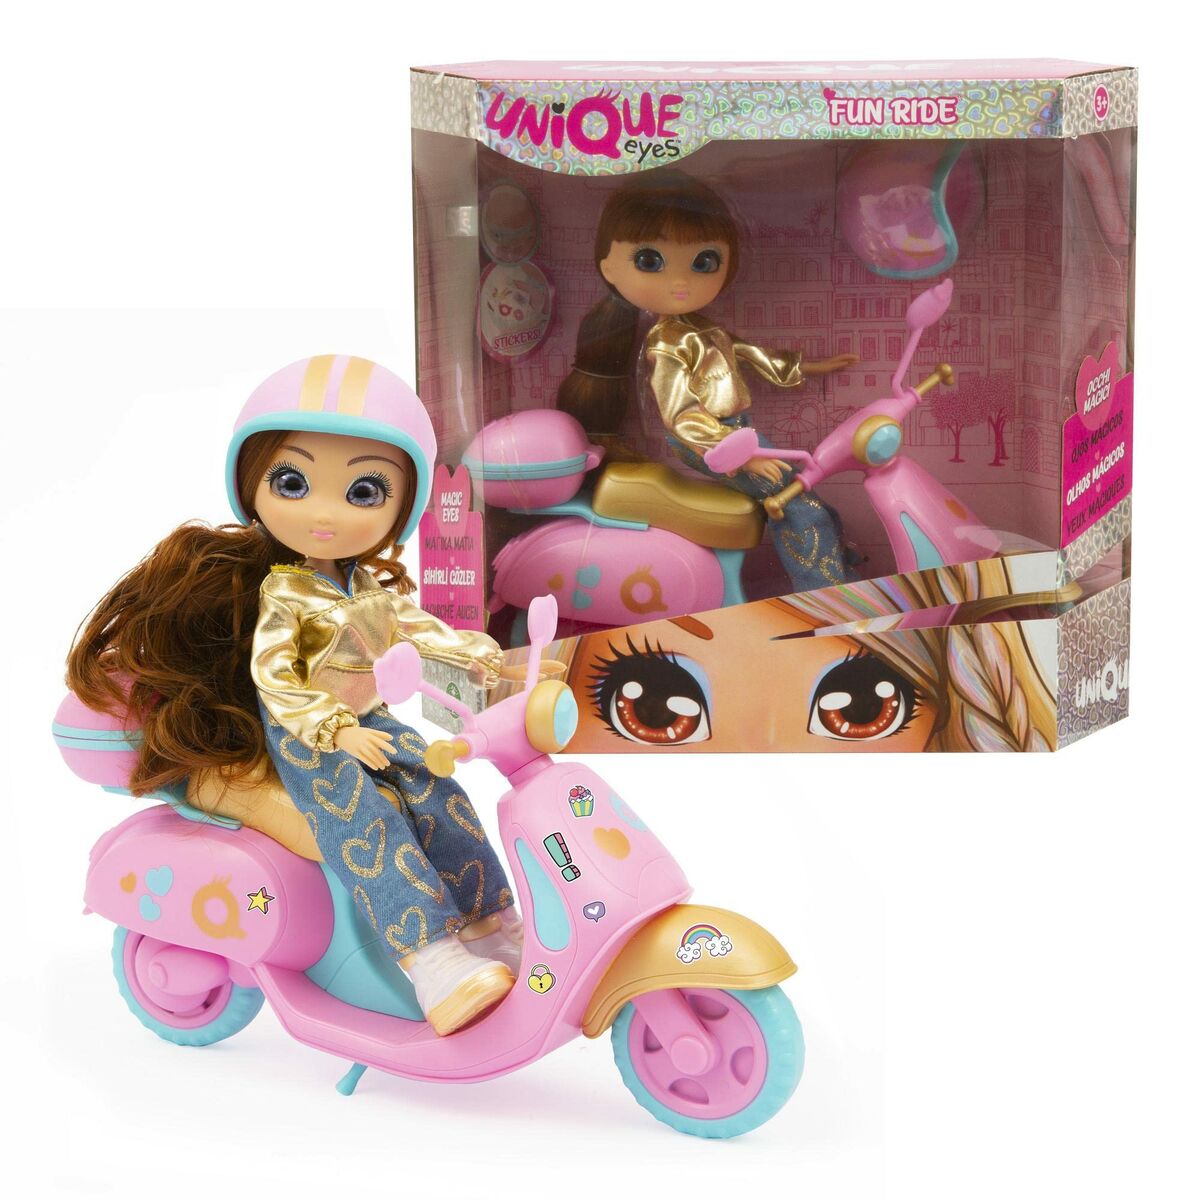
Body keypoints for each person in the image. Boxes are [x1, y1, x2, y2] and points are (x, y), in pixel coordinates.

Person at [68, 355, 521, 1035]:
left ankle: (491, 925)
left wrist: (480, 655)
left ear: (406, 505)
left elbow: (415, 626)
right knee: (365, 820)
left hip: (371, 719)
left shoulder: (364, 587)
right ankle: (430, 958)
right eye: (292, 482)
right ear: (251, 486)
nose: (324, 513)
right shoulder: (284, 594)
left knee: (438, 791)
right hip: (307, 736)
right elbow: (275, 678)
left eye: (364, 490)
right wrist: (335, 731)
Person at [557, 169, 858, 592]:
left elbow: (747, 352)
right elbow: (681, 416)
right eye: (650, 261)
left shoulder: (698, 329)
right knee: (798, 508)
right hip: (710, 440)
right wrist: (740, 456)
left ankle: (845, 574)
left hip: (734, 434)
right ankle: (822, 594)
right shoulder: (667, 344)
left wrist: (808, 367)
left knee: (807, 493)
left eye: (704, 262)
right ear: (608, 266)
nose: (681, 282)